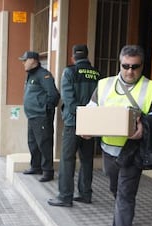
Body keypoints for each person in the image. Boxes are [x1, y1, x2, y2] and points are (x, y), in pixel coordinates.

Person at [87, 45, 152, 226]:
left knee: (125, 196)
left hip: (133, 153)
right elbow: (91, 109)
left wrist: (145, 127)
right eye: (126, 66)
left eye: (135, 67)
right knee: (115, 189)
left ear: (142, 66)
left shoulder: (151, 88)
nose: (130, 71)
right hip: (108, 150)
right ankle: (124, 217)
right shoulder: (104, 85)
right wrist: (85, 129)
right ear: (119, 64)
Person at [47, 44, 100, 207]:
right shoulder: (97, 74)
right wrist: (88, 118)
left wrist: (80, 117)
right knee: (86, 159)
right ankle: (85, 194)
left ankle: (65, 196)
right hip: (90, 123)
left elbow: (69, 102)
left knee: (67, 160)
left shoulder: (69, 72)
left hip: (72, 123)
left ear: (73, 57)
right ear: (87, 56)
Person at [19, 51, 59, 182]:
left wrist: (45, 109)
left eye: (25, 60)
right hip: (32, 115)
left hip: (41, 115)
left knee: (44, 143)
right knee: (33, 143)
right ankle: (36, 166)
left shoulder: (44, 75)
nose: (23, 63)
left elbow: (54, 95)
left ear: (33, 60)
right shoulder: (31, 75)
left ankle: (48, 171)